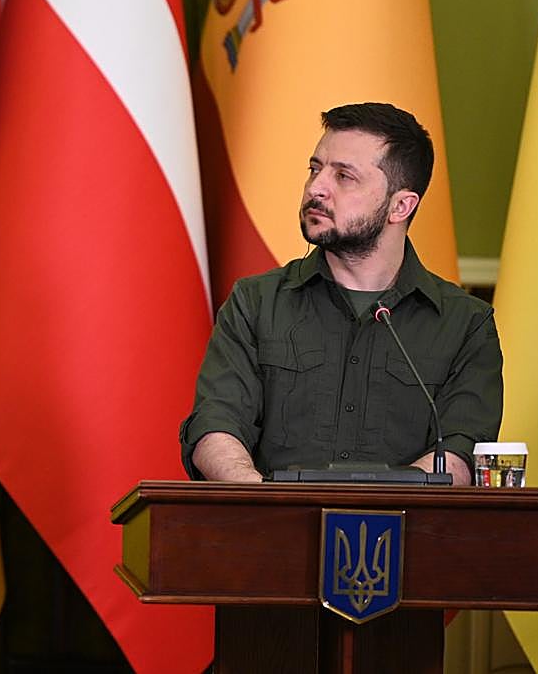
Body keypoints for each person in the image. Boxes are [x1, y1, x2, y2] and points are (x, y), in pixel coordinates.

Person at [180, 102, 501, 484]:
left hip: (407, 524)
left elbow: (462, 453)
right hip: (270, 519)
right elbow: (215, 426)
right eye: (315, 169)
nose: (316, 188)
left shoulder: (466, 324)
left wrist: (372, 509)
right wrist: (267, 502)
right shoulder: (255, 303)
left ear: (400, 206)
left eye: (344, 176)